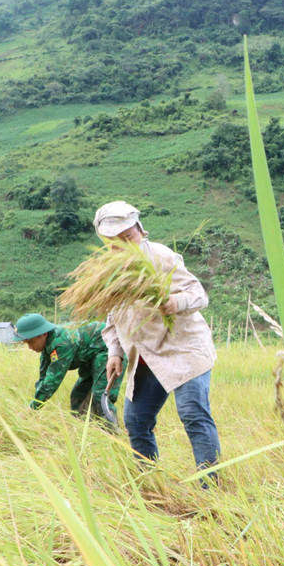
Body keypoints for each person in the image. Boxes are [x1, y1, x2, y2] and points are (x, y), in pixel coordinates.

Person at [94, 201, 222, 478]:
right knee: (136, 422)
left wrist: (176, 301)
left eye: (128, 237)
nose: (124, 246)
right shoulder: (106, 271)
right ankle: (149, 483)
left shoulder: (161, 256)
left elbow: (199, 294)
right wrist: (114, 352)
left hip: (183, 349)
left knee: (192, 414)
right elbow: (112, 316)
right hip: (145, 357)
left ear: (140, 230)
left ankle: (210, 489)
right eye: (115, 242)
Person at [14, 312, 124, 421]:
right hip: (90, 356)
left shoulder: (61, 343)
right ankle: (85, 431)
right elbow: (43, 378)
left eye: (31, 342)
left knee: (101, 396)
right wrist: (35, 400)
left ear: (43, 334)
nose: (30, 347)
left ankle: (112, 432)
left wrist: (32, 408)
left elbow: (51, 381)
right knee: (78, 395)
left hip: (110, 351)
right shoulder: (47, 347)